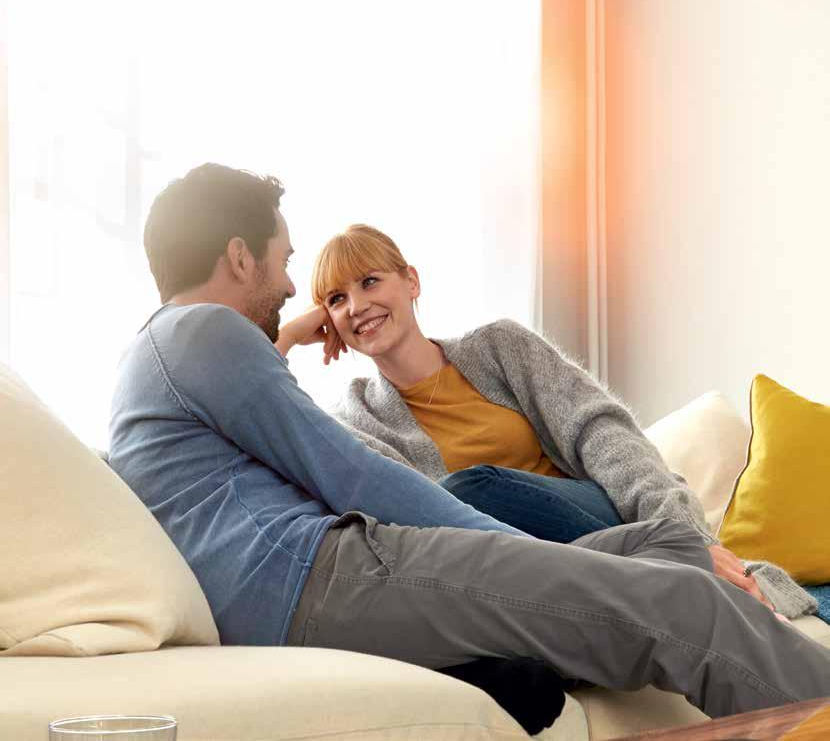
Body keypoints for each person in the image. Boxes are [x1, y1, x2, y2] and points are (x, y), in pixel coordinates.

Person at [109, 163, 830, 724]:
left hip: (324, 577)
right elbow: (353, 474)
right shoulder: (203, 334)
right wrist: (534, 560)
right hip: (324, 575)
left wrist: (283, 337)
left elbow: (600, 433)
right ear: (241, 258)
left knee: (671, 548)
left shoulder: (169, 351)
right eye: (285, 260)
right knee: (684, 601)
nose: (292, 286)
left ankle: (573, 632)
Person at [308, 223, 815, 620]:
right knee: (457, 511)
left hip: (594, 516)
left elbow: (605, 435)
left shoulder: (499, 347)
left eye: (370, 281)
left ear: (411, 281)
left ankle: (672, 565)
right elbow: (407, 522)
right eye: (336, 299)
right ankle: (653, 584)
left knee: (473, 490)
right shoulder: (356, 419)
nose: (357, 306)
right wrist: (284, 340)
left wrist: (690, 539)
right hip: (527, 571)